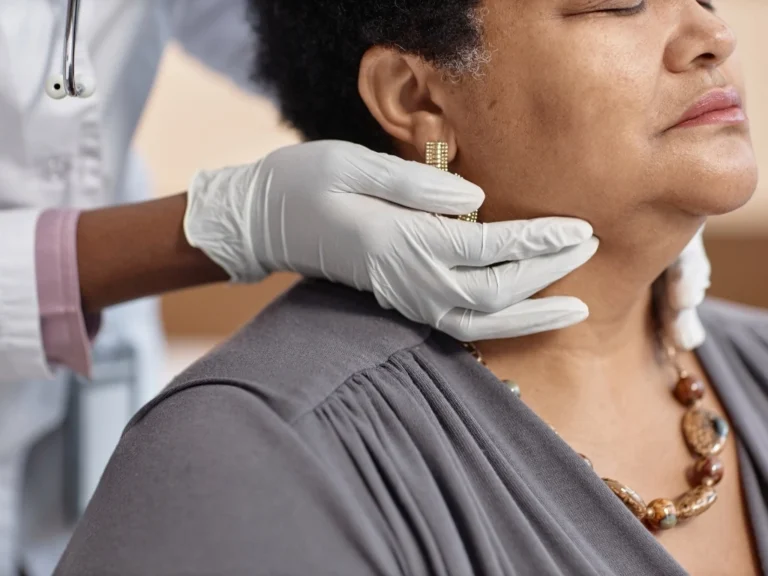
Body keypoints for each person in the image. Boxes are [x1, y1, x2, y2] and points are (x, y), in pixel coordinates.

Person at [53, 0, 765, 574]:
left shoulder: (749, 361)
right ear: (415, 94)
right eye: (618, 4)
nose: (713, 35)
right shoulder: (246, 459)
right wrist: (225, 222)